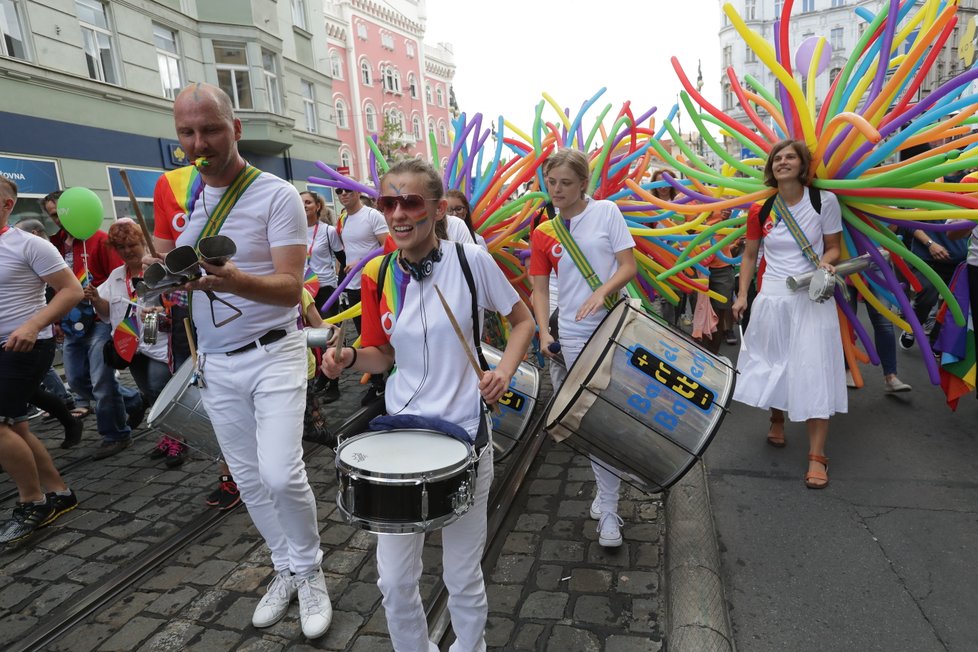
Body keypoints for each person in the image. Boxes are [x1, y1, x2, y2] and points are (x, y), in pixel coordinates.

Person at [322, 158, 535, 652]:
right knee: (394, 583)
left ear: (437, 210)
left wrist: (502, 372)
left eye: (410, 202)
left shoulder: (470, 261)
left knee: (461, 576)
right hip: (402, 440)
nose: (398, 213)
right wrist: (350, 356)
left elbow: (522, 320)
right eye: (388, 202)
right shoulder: (380, 271)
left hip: (463, 439)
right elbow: (385, 351)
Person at [159, 82, 330, 638]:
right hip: (216, 362)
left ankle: (311, 574)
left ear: (235, 129)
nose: (199, 141)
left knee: (282, 475)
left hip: (273, 352)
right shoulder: (194, 198)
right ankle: (284, 566)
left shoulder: (277, 195)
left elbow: (288, 290)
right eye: (187, 132)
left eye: (210, 128)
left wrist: (234, 281)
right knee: (251, 481)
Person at [530, 148, 637, 547]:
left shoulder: (607, 212)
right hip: (572, 335)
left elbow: (628, 266)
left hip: (612, 323)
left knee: (610, 413)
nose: (556, 190)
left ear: (583, 184)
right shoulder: (543, 232)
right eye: (551, 182)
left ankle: (607, 501)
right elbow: (539, 288)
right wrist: (543, 332)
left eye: (566, 183)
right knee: (590, 420)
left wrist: (602, 292)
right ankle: (607, 502)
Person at [732, 139, 846, 490]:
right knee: (774, 362)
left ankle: (816, 456)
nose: (783, 162)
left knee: (813, 370)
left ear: (802, 164)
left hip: (811, 297)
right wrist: (741, 296)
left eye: (790, 157)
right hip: (771, 298)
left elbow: (834, 245)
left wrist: (827, 263)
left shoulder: (823, 201)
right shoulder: (760, 210)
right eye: (777, 158)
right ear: (771, 167)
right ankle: (777, 419)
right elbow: (750, 256)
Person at [0, 177, 84, 543]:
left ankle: (33, 501)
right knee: (14, 428)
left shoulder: (29, 244)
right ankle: (59, 492)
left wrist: (33, 325)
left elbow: (72, 290)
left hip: (28, 347)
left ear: (6, 205)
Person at [151, 164, 238, 506]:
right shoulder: (168, 186)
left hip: (238, 314)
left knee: (239, 396)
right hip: (186, 313)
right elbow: (161, 252)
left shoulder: (248, 184)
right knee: (211, 397)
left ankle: (243, 470)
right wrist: (157, 268)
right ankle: (230, 473)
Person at [43, 192, 144, 460]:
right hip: (70, 321)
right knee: (76, 379)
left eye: (60, 213)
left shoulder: (98, 240)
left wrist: (103, 302)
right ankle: (133, 400)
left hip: (100, 319)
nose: (58, 220)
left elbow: (119, 278)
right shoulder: (54, 245)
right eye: (53, 215)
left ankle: (115, 434)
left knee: (101, 379)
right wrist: (56, 320)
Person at [88, 220, 177, 458]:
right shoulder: (117, 275)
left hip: (157, 341)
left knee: (160, 386)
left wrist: (159, 313)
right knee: (148, 390)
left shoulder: (158, 270)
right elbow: (107, 313)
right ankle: (168, 436)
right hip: (129, 345)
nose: (127, 251)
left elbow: (177, 306)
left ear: (142, 243)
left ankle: (180, 439)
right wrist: (96, 298)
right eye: (120, 247)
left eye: (131, 245)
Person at [14, 219, 84, 448]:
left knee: (20, 395)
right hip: (15, 336)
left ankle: (12, 447)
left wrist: (49, 322)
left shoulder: (36, 248)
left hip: (31, 336)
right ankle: (68, 420)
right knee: (30, 393)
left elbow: (62, 291)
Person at [335, 186, 388, 405]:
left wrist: (361, 263)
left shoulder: (372, 215)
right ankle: (377, 384)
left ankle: (393, 376)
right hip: (353, 286)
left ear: (358, 192)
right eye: (339, 191)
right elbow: (346, 251)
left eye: (348, 190)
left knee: (383, 333)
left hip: (374, 283)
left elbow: (388, 246)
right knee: (365, 335)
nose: (343, 194)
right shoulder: (343, 219)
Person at [302, 190, 344, 403]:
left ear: (317, 206)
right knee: (310, 337)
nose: (304, 206)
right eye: (300, 203)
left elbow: (343, 259)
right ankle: (320, 376)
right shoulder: (294, 231)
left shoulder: (328, 231)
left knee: (328, 336)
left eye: (308, 202)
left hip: (326, 288)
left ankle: (334, 384)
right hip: (303, 291)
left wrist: (342, 286)